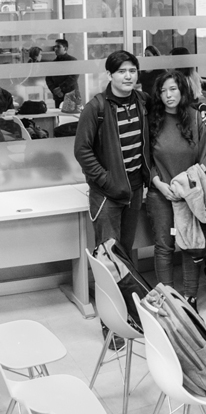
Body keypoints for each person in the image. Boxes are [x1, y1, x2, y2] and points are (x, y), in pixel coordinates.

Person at [144, 71, 206, 302]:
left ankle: (190, 298)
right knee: (164, 246)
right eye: (163, 91)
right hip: (160, 194)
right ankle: (168, 299)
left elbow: (204, 161)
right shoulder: (152, 121)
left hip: (191, 195)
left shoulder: (199, 119)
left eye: (173, 89)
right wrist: (160, 185)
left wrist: (187, 189)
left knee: (190, 245)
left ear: (183, 90)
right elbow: (146, 160)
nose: (168, 95)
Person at [77, 51, 151, 262]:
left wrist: (201, 108)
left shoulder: (143, 101)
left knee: (125, 250)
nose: (128, 76)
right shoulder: (96, 107)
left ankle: (127, 285)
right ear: (110, 75)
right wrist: (105, 180)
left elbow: (174, 106)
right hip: (107, 193)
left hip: (134, 189)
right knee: (108, 255)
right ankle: (111, 287)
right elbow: (82, 149)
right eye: (121, 71)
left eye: (132, 71)